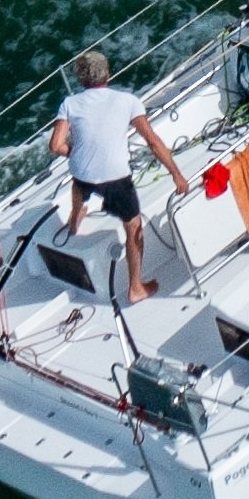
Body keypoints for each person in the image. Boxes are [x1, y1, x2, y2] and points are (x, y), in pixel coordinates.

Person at [50, 50, 187, 310]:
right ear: (108, 74)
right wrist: (176, 174)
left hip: (83, 175)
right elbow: (153, 142)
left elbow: (56, 145)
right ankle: (135, 287)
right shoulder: (128, 101)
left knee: (80, 181)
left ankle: (75, 220)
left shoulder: (69, 103)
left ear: (81, 79)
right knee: (133, 227)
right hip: (116, 179)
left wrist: (75, 152)